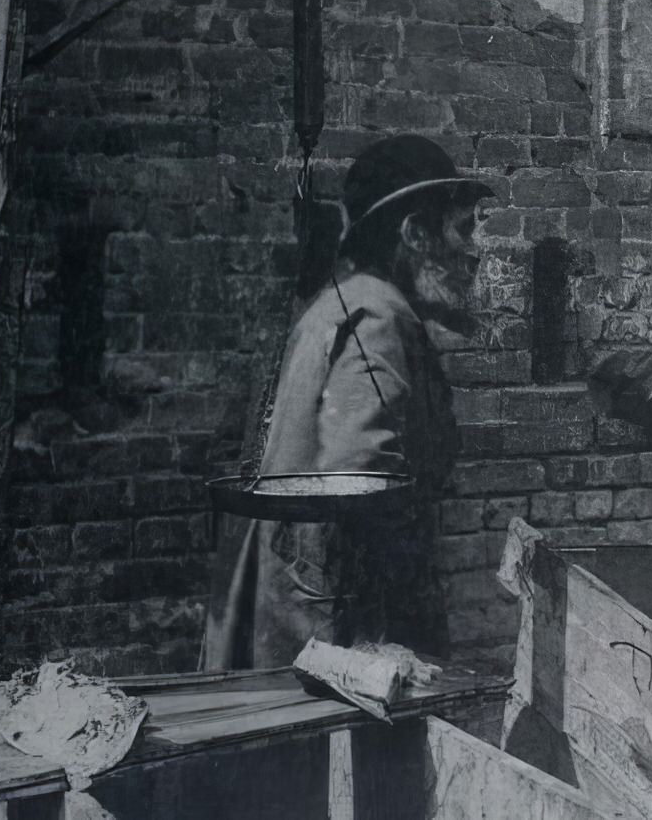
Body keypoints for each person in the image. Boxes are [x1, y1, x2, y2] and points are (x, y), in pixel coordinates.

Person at [203, 134, 492, 669]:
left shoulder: (339, 304)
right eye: (463, 226)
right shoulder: (380, 315)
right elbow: (360, 487)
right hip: (343, 634)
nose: (474, 250)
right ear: (414, 234)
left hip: (306, 612)